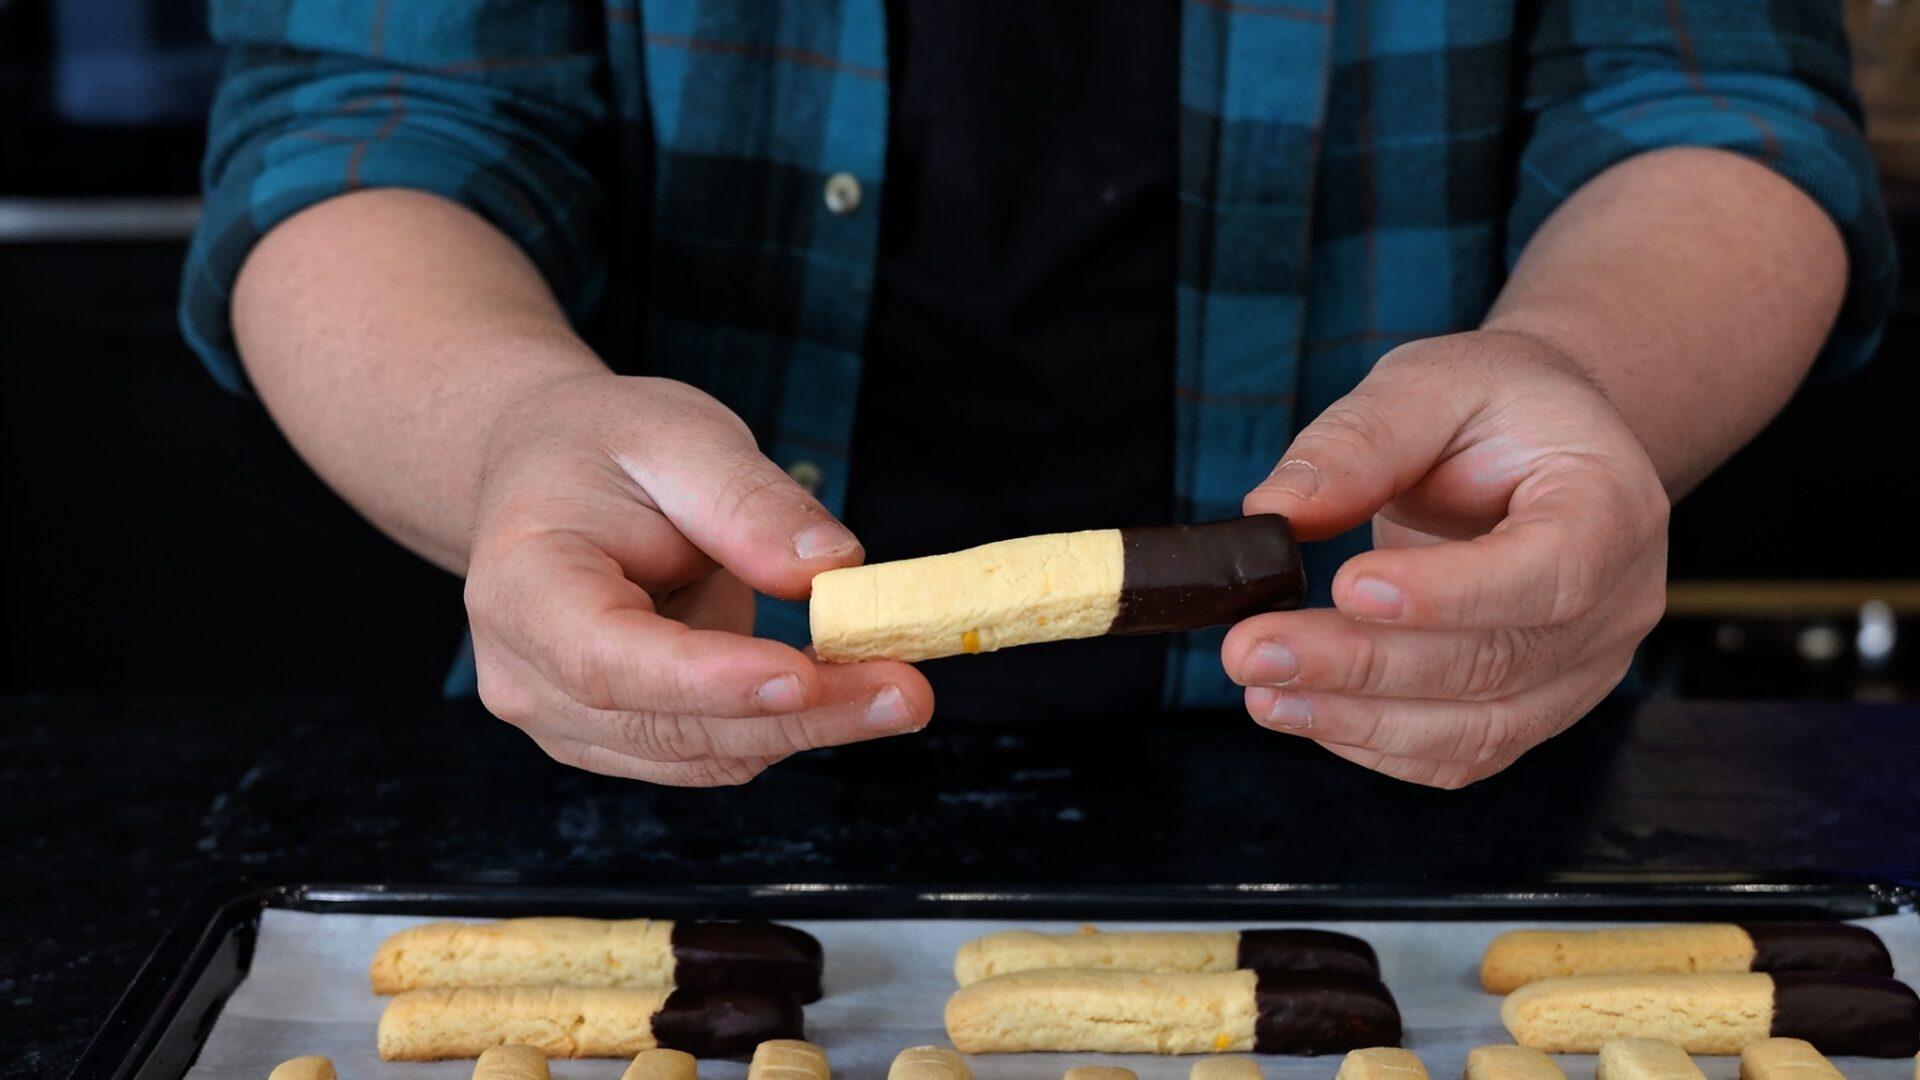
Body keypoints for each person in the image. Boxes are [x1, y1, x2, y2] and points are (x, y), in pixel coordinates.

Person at [180, 2, 1893, 789]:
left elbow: (1712, 98)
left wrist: (1581, 383)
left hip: (1433, 737)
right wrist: (502, 437)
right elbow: (370, 121)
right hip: (653, 734)